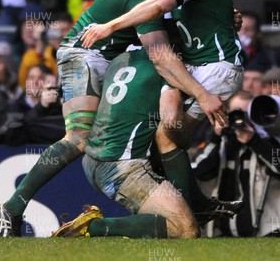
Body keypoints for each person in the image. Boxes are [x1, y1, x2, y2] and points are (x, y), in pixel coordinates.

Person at [0, 0, 238, 237]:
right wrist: (201, 93)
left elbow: (181, 15)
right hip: (86, 51)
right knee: (78, 138)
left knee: (161, 129)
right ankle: (11, 208)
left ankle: (186, 202)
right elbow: (160, 53)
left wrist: (223, 17)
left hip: (112, 55)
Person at [81, 0, 244, 218]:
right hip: (189, 64)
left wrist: (110, 26)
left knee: (169, 136)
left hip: (216, 67)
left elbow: (159, 8)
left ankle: (190, 206)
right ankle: (180, 203)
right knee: (165, 127)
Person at [52, 48, 198, 239]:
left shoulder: (119, 59)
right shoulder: (166, 66)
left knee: (164, 218)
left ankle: (135, 230)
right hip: (122, 167)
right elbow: (170, 119)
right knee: (185, 229)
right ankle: (91, 226)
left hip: (93, 157)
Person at [192, 89, 280, 237]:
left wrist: (255, 141)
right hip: (227, 234)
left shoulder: (270, 139)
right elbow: (198, 171)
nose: (240, 120)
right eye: (235, 113)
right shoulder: (222, 141)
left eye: (246, 115)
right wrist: (215, 136)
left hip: (272, 231)